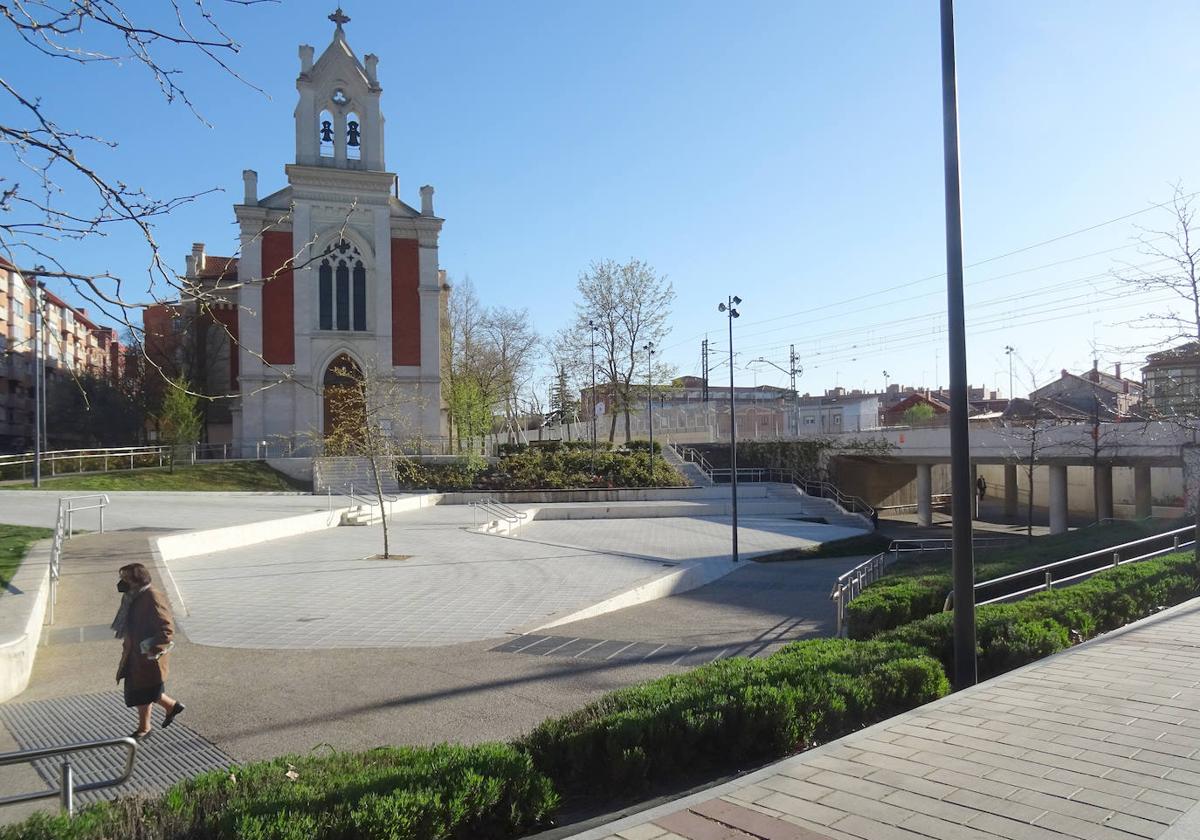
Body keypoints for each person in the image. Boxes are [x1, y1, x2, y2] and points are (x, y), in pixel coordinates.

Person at [112, 562, 184, 740]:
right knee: (144, 691)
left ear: (137, 580)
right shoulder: (133, 596)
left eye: (126, 578)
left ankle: (145, 728)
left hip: (147, 657)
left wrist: (152, 650)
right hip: (135, 654)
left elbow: (167, 629)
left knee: (143, 692)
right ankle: (171, 707)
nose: (122, 582)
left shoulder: (152, 596)